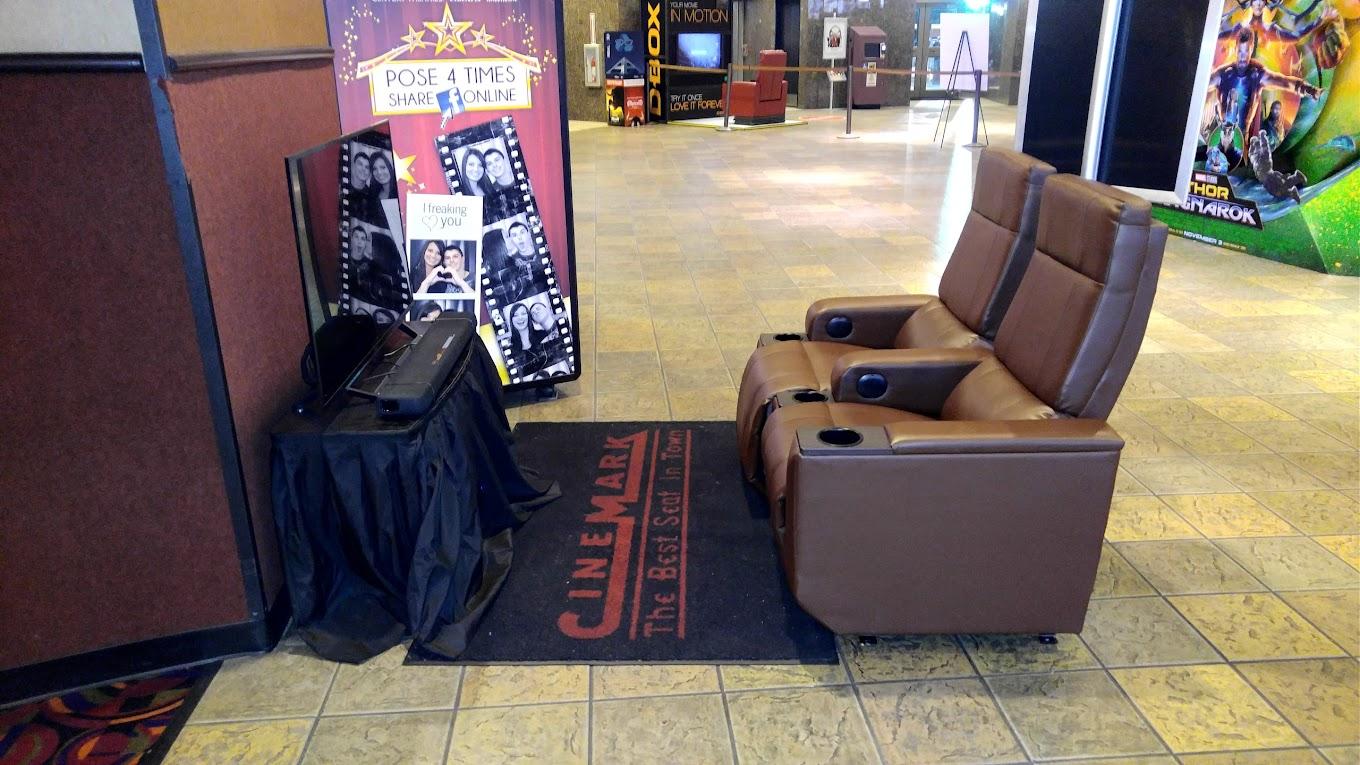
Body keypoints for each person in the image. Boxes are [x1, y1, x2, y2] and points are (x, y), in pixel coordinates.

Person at [1208, 29, 1321, 140]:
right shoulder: (1222, 75)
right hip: (1221, 136)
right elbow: (1204, 86)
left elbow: (1285, 82)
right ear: (1235, 49)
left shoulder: (1258, 75)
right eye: (1240, 52)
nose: (1242, 57)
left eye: (1246, 52)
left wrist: (1309, 89)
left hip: (1242, 139)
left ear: (1251, 49)